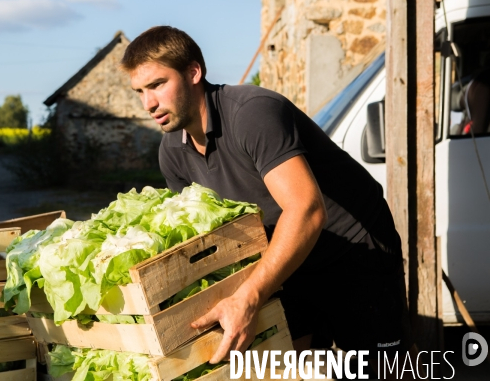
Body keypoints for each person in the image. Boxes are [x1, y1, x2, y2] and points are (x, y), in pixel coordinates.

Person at [121, 26, 412, 377]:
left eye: (157, 85)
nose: (148, 103)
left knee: (380, 371)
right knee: (287, 370)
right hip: (283, 264)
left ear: (194, 72)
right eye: (140, 91)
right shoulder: (172, 153)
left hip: (353, 255)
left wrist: (247, 297)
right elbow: (202, 243)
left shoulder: (252, 113)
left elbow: (307, 208)